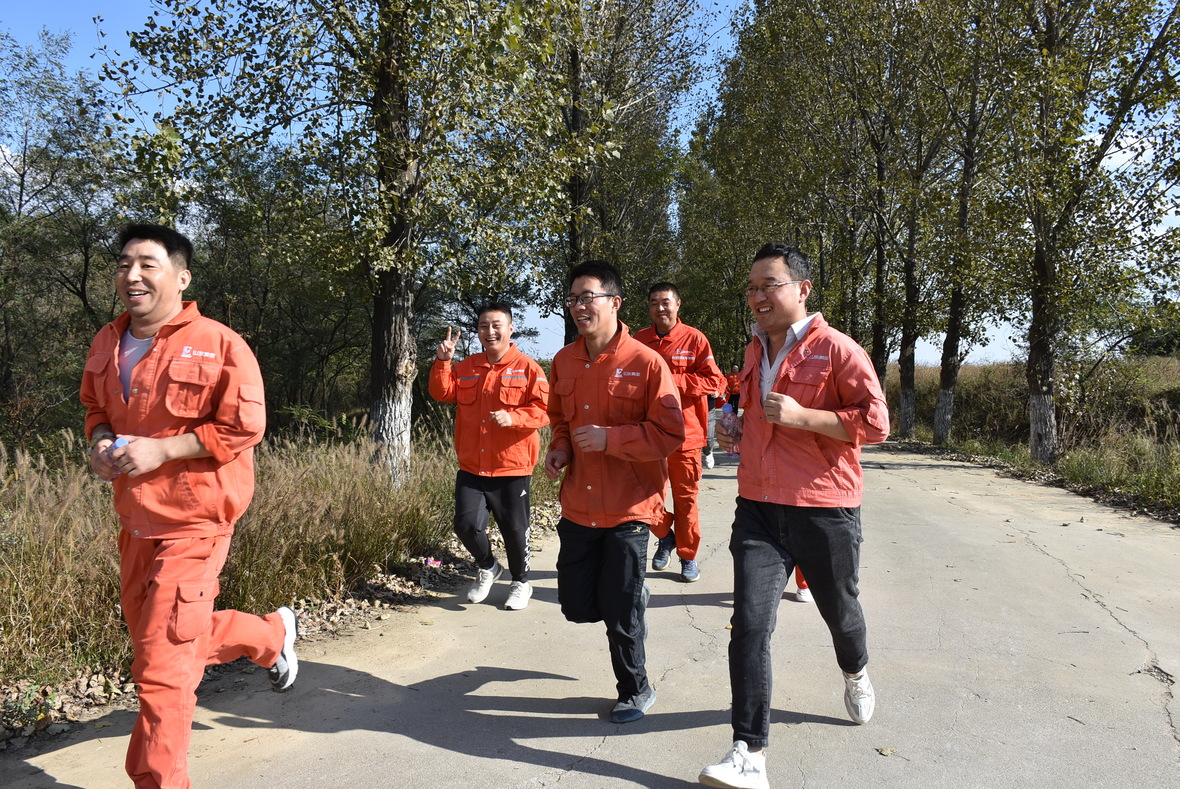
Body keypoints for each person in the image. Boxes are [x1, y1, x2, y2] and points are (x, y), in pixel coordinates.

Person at [81, 224, 297, 789]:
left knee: (162, 670)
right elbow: (94, 409)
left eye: (147, 265)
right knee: (161, 643)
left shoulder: (220, 343)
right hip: (135, 519)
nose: (132, 275)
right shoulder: (106, 341)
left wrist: (164, 449)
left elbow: (245, 426)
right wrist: (99, 445)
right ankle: (269, 637)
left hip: (197, 520)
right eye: (124, 264)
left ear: (181, 278)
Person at [699, 243, 890, 789]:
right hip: (758, 508)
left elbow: (876, 424)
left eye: (769, 285)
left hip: (824, 509)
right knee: (749, 626)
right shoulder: (753, 350)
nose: (757, 296)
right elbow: (751, 412)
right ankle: (749, 753)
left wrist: (807, 416)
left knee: (841, 614)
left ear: (802, 289)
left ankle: (855, 670)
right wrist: (735, 428)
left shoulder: (838, 350)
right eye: (752, 288)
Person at [544, 260, 685, 724]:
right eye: (573, 298)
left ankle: (635, 690)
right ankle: (632, 599)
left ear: (614, 302)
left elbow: (670, 434)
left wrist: (611, 439)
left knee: (621, 612)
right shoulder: (564, 360)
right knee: (577, 606)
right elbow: (560, 419)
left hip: (630, 507)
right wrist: (560, 449)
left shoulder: (646, 362)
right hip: (579, 505)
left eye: (588, 297)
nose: (578, 306)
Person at [429, 303, 550, 610]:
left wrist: (515, 417)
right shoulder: (467, 366)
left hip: (512, 466)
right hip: (472, 465)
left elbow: (545, 410)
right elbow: (442, 392)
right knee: (465, 525)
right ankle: (488, 567)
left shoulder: (529, 368)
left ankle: (521, 582)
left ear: (510, 329)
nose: (490, 331)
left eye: (497, 325)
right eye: (484, 326)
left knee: (515, 530)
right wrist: (443, 361)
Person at [635, 282, 725, 582]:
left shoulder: (695, 339)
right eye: (654, 303)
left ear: (677, 304)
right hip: (648, 434)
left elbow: (714, 382)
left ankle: (688, 556)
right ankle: (665, 535)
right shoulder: (639, 341)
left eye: (665, 302)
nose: (660, 308)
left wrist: (672, 381)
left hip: (686, 436)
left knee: (686, 501)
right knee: (643, 497)